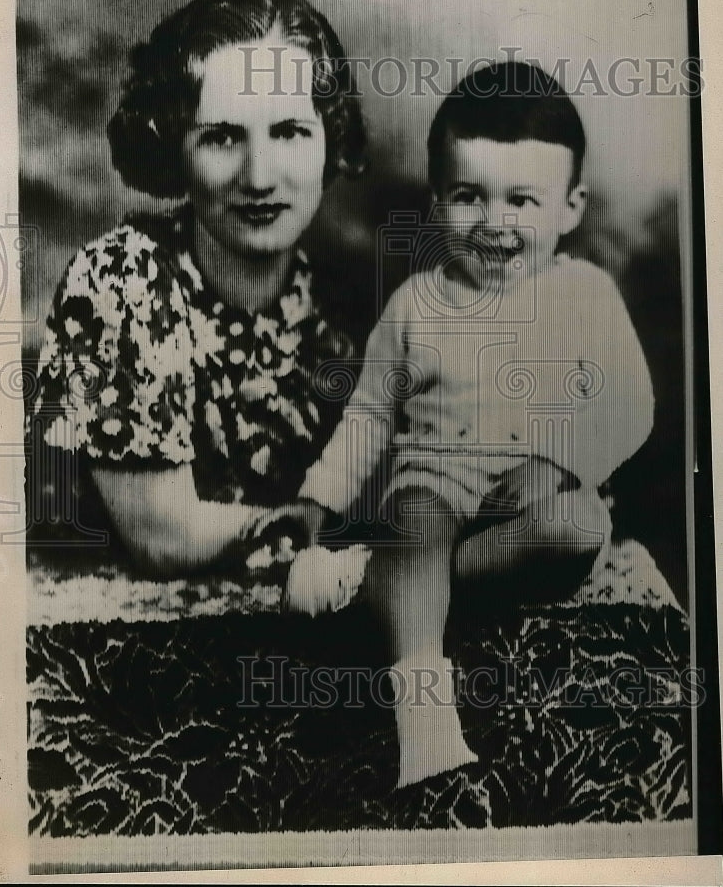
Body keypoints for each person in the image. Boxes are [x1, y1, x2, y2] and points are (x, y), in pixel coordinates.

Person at [256, 61, 655, 787]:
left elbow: (630, 404)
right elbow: (371, 415)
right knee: (417, 520)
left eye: (523, 201)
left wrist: (560, 463)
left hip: (530, 498)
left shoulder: (586, 293)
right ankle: (428, 721)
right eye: (470, 196)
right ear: (438, 201)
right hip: (434, 488)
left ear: (571, 206)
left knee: (581, 528)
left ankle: (381, 583)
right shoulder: (417, 304)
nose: (495, 223)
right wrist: (317, 502)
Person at [25, 0, 366, 576]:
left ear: (330, 138)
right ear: (174, 147)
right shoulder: (121, 280)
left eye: (289, 132)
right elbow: (163, 535)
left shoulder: (345, 307)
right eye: (221, 136)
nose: (259, 175)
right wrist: (325, 533)